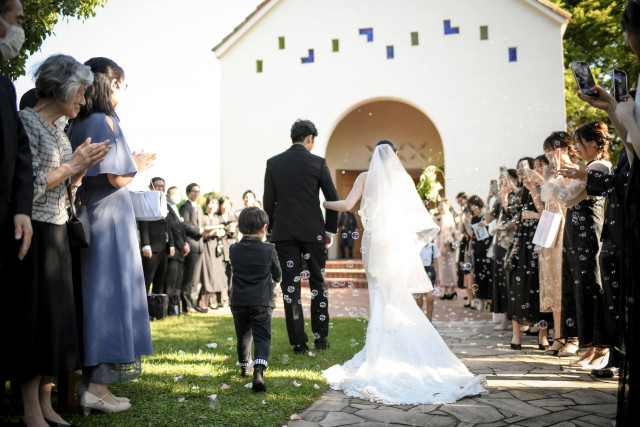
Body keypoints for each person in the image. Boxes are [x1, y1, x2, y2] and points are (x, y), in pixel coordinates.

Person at [322, 140, 486, 404]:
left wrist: (324, 203)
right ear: (395, 155)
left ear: (375, 156)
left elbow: (348, 205)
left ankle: (380, 351)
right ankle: (395, 347)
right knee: (395, 294)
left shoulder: (365, 177)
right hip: (394, 245)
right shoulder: (403, 181)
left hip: (373, 243)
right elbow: (415, 218)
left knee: (379, 295)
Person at [12, 53, 110, 427]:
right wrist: (71, 166)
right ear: (64, 87)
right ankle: (30, 410)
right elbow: (26, 188)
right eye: (82, 93)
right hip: (33, 231)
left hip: (57, 229)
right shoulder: (26, 122)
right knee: (34, 321)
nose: (84, 101)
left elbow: (61, 186)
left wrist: (79, 171)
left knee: (55, 321)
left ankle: (46, 403)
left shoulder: (59, 131)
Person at [66, 57, 154, 414]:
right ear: (111, 85)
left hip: (92, 214)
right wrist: (139, 165)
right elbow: (118, 176)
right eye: (121, 85)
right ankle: (96, 388)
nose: (122, 93)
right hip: (109, 219)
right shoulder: (103, 120)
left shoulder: (77, 120)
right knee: (109, 296)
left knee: (93, 296)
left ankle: (92, 384)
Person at [263, 119, 339, 354]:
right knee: (318, 282)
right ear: (309, 139)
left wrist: (272, 228)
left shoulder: (274, 163)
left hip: (284, 234)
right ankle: (320, 338)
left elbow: (268, 201)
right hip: (312, 232)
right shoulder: (317, 163)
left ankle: (298, 342)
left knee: (291, 287)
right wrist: (329, 229)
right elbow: (332, 199)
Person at [541, 122, 611, 368]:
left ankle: (601, 347)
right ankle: (589, 346)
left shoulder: (599, 167)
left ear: (593, 143)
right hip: (575, 233)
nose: (577, 149)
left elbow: (569, 198)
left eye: (579, 143)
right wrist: (554, 177)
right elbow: (564, 197)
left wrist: (554, 180)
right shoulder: (584, 168)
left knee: (592, 287)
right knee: (578, 289)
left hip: (589, 232)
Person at [229, 206, 282, 392]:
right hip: (261, 301)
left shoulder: (233, 249)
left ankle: (244, 366)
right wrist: (276, 281)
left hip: (239, 300)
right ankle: (258, 371)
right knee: (262, 336)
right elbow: (278, 272)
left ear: (240, 228)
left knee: (243, 335)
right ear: (264, 228)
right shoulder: (269, 249)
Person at [507, 157, 549, 351]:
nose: (522, 171)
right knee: (518, 284)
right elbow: (510, 216)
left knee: (538, 284)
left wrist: (533, 214)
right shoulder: (520, 191)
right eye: (519, 168)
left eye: (525, 167)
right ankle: (516, 335)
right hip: (521, 240)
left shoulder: (541, 187)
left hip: (538, 239)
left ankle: (543, 336)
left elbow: (546, 213)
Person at [139, 177, 173, 294]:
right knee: (147, 279)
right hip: (151, 248)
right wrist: (146, 245)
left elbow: (167, 226)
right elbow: (143, 224)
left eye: (163, 186)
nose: (161, 188)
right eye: (158, 186)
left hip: (163, 247)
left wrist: (171, 245)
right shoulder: (146, 201)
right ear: (150, 187)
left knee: (160, 279)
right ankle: (142, 308)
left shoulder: (164, 203)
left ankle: (157, 309)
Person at [179, 183, 209, 313]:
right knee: (189, 277)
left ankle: (193, 303)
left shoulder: (199, 208)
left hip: (200, 246)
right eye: (194, 191)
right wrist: (199, 230)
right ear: (188, 192)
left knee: (195, 279)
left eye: (199, 191)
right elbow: (184, 225)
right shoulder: (185, 207)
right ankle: (186, 305)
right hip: (190, 244)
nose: (197, 193)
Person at [164, 186, 190, 315]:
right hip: (174, 249)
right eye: (173, 194)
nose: (176, 196)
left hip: (182, 251)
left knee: (177, 281)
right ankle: (169, 308)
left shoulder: (177, 210)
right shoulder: (167, 208)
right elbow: (172, 229)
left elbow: (182, 228)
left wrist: (186, 242)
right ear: (168, 195)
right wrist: (181, 244)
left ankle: (175, 307)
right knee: (171, 281)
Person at [466, 195, 492, 311]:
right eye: (471, 206)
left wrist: (486, 224)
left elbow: (492, 225)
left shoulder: (485, 215)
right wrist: (466, 222)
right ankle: (481, 300)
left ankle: (489, 300)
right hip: (477, 248)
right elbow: (472, 235)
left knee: (488, 274)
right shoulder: (473, 218)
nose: (473, 207)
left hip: (487, 247)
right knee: (478, 275)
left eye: (474, 204)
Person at [201, 195, 227, 309]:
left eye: (215, 204)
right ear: (207, 204)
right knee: (208, 273)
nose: (212, 206)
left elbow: (224, 229)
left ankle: (214, 299)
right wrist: (213, 232)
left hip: (217, 248)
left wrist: (221, 232)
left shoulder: (218, 217)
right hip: (206, 247)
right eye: (210, 203)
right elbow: (202, 232)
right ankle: (203, 300)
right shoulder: (203, 216)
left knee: (217, 273)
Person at [434, 199, 457, 300]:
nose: (440, 207)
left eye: (442, 205)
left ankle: (448, 290)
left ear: (447, 206)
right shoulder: (445, 216)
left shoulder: (446, 216)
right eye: (439, 205)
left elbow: (445, 232)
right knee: (445, 268)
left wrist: (442, 247)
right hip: (443, 245)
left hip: (445, 246)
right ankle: (447, 290)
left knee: (446, 268)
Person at [218, 195, 238, 302]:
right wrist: (226, 229)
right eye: (223, 204)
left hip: (231, 250)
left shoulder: (233, 218)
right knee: (220, 274)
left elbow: (237, 233)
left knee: (231, 275)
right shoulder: (217, 218)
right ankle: (219, 298)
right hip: (219, 250)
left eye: (228, 204)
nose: (225, 207)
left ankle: (232, 297)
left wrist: (233, 230)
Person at [417, 238, 439, 320]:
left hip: (430, 271)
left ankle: (429, 319)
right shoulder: (417, 246)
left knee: (430, 299)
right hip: (419, 272)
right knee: (419, 300)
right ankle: (420, 320)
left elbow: (436, 262)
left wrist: (438, 276)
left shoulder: (433, 246)